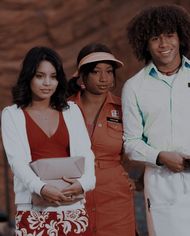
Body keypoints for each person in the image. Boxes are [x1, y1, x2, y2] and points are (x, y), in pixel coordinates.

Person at [122, 4, 190, 236]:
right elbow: (131, 143)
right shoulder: (134, 87)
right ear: (145, 43)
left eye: (170, 36)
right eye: (155, 38)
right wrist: (160, 157)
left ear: (181, 37)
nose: (164, 45)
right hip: (163, 186)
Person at [1, 46, 95, 235]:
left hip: (72, 206)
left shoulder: (71, 110)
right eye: (40, 76)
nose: (47, 83)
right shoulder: (12, 114)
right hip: (33, 210)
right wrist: (41, 188)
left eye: (53, 76)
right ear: (28, 77)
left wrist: (85, 184)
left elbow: (86, 153)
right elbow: (16, 161)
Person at [67, 43, 136, 236]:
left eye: (109, 71)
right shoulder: (64, 108)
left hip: (115, 200)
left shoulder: (125, 108)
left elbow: (141, 144)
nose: (104, 78)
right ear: (82, 75)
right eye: (96, 72)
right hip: (73, 195)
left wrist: (139, 181)